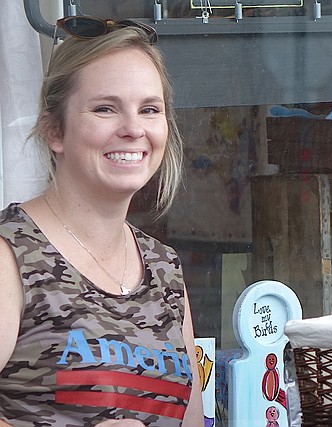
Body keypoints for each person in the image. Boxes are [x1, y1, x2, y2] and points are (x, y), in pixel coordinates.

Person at [0, 17, 203, 426]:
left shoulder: (164, 267)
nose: (133, 129)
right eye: (105, 109)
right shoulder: (12, 255)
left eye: (149, 109)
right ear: (54, 130)